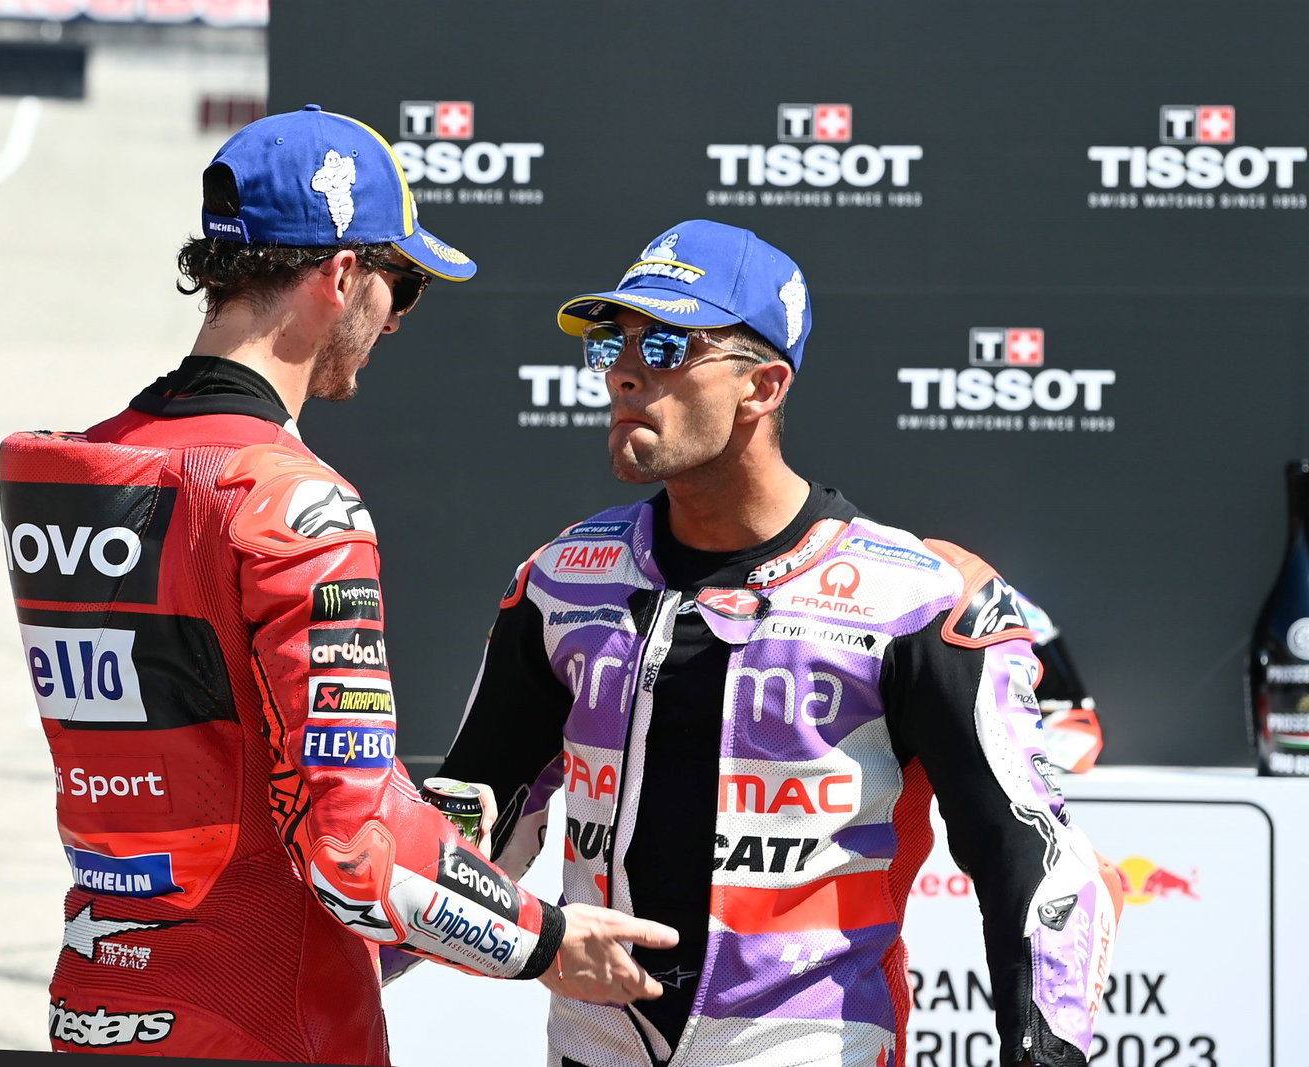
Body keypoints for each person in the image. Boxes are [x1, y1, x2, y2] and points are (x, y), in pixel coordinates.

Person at [0, 105, 677, 1063]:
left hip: (100, 1005)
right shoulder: (292, 500)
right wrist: (546, 940)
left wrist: (416, 806)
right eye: (401, 286)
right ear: (342, 273)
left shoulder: (67, 473)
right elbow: (351, 848)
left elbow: (215, 749)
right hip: (266, 1019)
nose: (397, 317)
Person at [432, 219, 1125, 1067]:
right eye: (615, 342)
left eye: (667, 345)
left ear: (763, 385)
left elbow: (1034, 858)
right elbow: (463, 832)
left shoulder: (916, 596)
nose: (622, 369)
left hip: (806, 1043)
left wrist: (1043, 1053)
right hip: (594, 1044)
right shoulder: (560, 580)